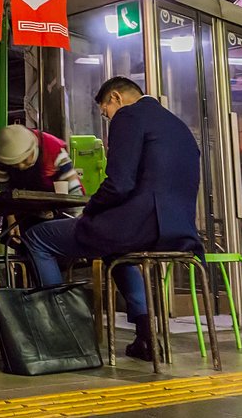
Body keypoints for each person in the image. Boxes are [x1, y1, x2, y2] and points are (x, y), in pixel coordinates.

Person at [21, 76, 202, 361]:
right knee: (114, 250)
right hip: (179, 232)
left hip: (139, 225)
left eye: (105, 111)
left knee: (37, 237)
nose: (107, 118)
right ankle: (146, 337)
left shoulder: (128, 116)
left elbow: (119, 183)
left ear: (116, 97)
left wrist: (91, 209)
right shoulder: (177, 126)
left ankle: (62, 330)